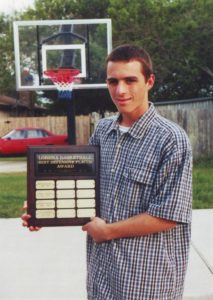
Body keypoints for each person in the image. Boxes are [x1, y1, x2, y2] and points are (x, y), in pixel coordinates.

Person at [22, 44, 192, 300]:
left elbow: (169, 215)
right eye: (113, 81)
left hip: (147, 281)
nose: (120, 90)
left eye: (130, 80)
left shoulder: (170, 139)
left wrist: (108, 231)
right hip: (102, 277)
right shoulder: (103, 131)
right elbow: (84, 188)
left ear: (149, 81)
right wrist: (42, 209)